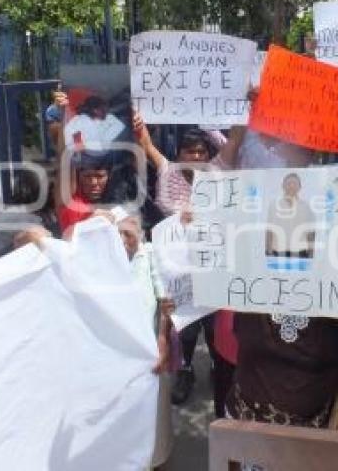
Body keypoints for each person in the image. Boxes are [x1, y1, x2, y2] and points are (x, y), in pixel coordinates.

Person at [227, 221, 338, 428]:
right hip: (248, 421)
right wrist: (191, 228)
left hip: (316, 427)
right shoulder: (247, 267)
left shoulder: (335, 270)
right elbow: (209, 266)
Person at [133, 113, 245, 407]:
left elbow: (235, 139)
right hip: (179, 271)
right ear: (179, 154)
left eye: (200, 151)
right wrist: (140, 123)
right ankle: (185, 370)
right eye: (189, 151)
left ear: (208, 155)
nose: (195, 156)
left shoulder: (216, 171)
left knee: (213, 326)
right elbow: (146, 144)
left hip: (211, 267)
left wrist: (244, 109)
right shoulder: (168, 170)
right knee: (183, 328)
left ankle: (217, 366)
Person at [115, 214, 175, 468]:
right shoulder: (103, 259)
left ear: (140, 234)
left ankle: (155, 461)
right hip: (115, 357)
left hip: (149, 351)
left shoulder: (150, 254)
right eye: (115, 233)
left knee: (154, 415)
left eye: (127, 233)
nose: (121, 240)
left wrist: (162, 339)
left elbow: (165, 301)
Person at [57, 151, 115, 236]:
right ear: (78, 177)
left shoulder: (119, 201)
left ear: (109, 177)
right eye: (87, 176)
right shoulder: (72, 206)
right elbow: (69, 239)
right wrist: (90, 221)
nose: (93, 182)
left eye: (100, 176)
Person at [265, 173, 316, 260]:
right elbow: (269, 230)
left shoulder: (306, 207)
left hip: (301, 253)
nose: (291, 186)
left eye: (295, 183)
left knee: (300, 274)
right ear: (283, 186)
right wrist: (268, 251)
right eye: (288, 183)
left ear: (299, 187)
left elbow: (310, 232)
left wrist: (311, 253)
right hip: (277, 252)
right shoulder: (273, 205)